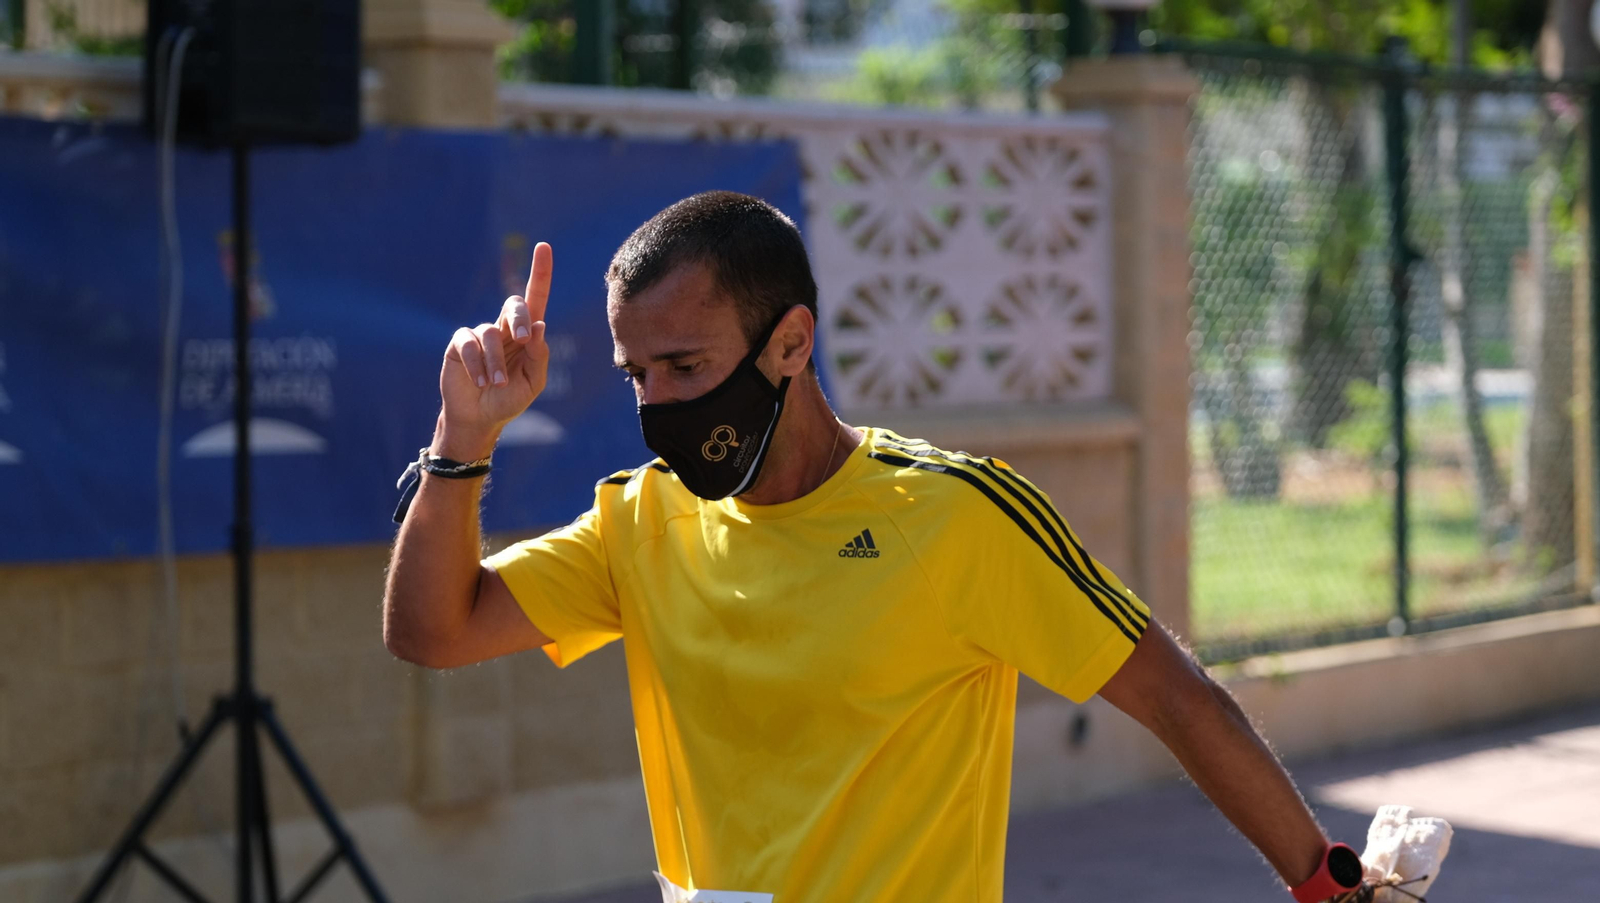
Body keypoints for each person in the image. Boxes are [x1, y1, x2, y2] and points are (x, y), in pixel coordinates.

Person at [383, 191, 1365, 903]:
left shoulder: (953, 516)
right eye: (637, 374)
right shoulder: (640, 522)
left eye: (686, 365)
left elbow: (1173, 695)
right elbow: (434, 631)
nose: (658, 405)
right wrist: (461, 438)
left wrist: (1327, 885)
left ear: (791, 342)